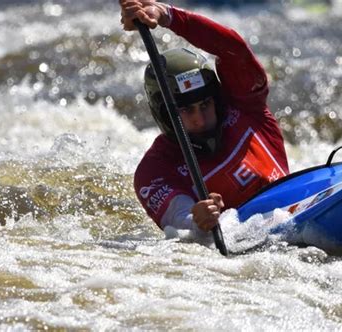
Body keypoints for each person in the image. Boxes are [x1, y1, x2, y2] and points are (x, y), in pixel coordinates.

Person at [119, 0, 289, 235]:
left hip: (296, 211)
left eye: (205, 104)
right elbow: (178, 218)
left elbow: (233, 48)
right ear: (166, 115)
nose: (200, 119)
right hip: (244, 245)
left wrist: (168, 15)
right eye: (187, 110)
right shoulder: (154, 169)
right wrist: (198, 222)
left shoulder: (248, 106)